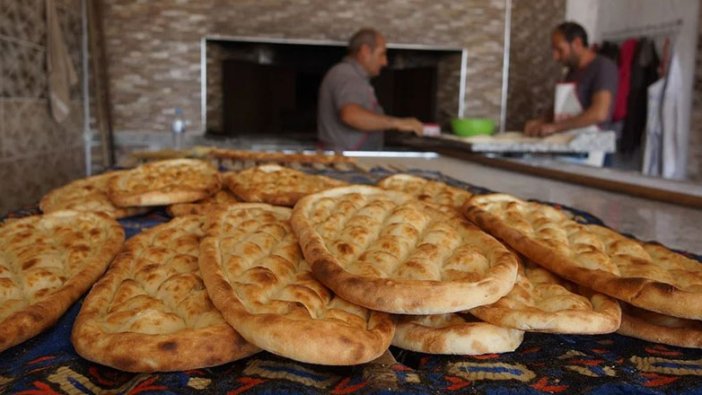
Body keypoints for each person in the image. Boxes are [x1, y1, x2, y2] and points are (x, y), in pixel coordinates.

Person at [317, 28, 424, 151]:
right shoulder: (346, 74)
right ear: (365, 51)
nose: (385, 62)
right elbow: (351, 115)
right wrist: (397, 123)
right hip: (347, 161)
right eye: (382, 54)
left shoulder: (353, 76)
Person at [524, 22, 618, 137]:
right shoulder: (572, 71)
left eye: (559, 50)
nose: (555, 56)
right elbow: (562, 106)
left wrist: (555, 127)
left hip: (591, 144)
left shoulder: (603, 67)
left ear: (577, 43)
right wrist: (541, 121)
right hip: (569, 139)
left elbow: (599, 113)